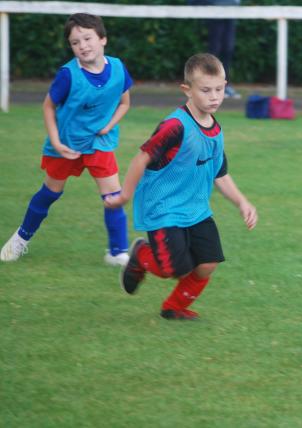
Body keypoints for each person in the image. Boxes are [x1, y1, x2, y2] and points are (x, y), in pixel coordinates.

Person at [104, 53, 258, 321]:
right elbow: (142, 157)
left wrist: (242, 202)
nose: (214, 97)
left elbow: (219, 173)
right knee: (172, 268)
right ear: (187, 90)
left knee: (208, 263)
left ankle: (174, 307)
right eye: (206, 90)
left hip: (196, 209)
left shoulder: (215, 130)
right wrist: (125, 195)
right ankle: (141, 255)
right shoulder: (174, 126)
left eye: (219, 89)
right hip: (163, 208)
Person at [0, 13, 132, 266]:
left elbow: (125, 103)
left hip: (99, 144)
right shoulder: (68, 75)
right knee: (50, 192)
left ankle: (117, 253)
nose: (82, 45)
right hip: (66, 145)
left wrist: (109, 126)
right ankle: (21, 238)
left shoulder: (117, 68)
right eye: (75, 42)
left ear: (103, 39)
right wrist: (57, 142)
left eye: (87, 38)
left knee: (113, 196)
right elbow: (48, 107)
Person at [189, 0, 242, 99]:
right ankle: (210, 86)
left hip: (231, 9)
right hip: (214, 9)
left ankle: (225, 86)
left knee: (228, 49)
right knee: (215, 51)